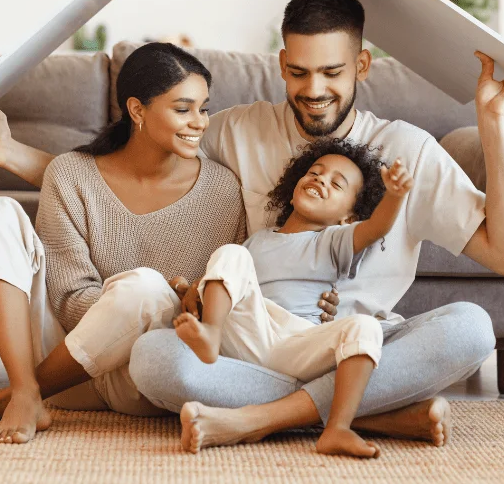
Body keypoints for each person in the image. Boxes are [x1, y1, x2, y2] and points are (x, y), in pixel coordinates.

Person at [0, 0, 504, 450]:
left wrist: (492, 122)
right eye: (300, 72)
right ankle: (364, 413)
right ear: (282, 63)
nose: (315, 90)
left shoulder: (404, 149)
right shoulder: (237, 130)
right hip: (246, 346)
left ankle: (262, 419)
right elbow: (131, 175)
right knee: (156, 359)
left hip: (355, 346)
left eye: (332, 72)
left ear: (362, 64)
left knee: (472, 328)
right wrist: (14, 156)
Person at [0, 43, 246, 444]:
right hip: (71, 371)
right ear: (137, 110)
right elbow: (69, 301)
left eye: (203, 108)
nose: (199, 122)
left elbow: (222, 299)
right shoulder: (71, 174)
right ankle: (25, 389)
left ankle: (10, 398)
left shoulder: (223, 188)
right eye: (183, 109)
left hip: (148, 371)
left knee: (146, 288)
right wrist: (139, 299)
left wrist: (177, 298)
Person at [174, 139, 413, 457]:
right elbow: (228, 280)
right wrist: (189, 289)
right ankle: (210, 334)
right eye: (315, 172)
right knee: (231, 253)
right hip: (247, 334)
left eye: (336, 184)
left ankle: (338, 428)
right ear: (295, 183)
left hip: (296, 342)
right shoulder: (257, 239)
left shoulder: (332, 241)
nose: (320, 180)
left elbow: (377, 228)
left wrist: (395, 196)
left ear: (348, 216)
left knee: (365, 327)